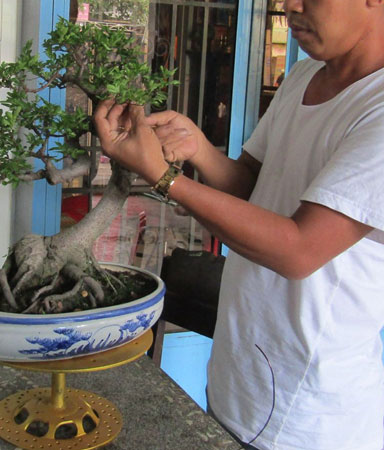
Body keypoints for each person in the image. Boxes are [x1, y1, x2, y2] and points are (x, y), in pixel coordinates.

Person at [93, 0, 384, 448]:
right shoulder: (305, 77)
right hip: (238, 380)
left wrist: (164, 177)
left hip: (308, 417)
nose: (289, 6)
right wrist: (199, 148)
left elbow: (298, 250)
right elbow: (252, 188)